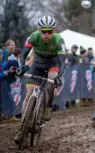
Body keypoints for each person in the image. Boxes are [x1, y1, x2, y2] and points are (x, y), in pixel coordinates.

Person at [14, 16, 66, 144]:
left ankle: (48, 106)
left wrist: (59, 76)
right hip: (37, 63)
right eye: (44, 31)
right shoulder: (33, 36)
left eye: (49, 31)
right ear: (39, 30)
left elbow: (62, 62)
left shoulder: (59, 40)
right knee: (29, 93)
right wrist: (21, 67)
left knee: (51, 81)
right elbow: (24, 53)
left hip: (53, 64)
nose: (46, 34)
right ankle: (22, 127)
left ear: (53, 31)